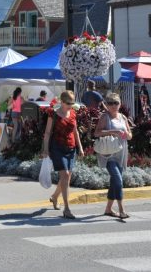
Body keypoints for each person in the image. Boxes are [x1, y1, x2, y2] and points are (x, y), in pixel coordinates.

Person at [42, 90, 84, 219]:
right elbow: (48, 133)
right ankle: (67, 209)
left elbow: (75, 131)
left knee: (66, 177)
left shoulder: (72, 113)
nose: (70, 105)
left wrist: (80, 147)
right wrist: (45, 149)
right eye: (68, 103)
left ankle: (55, 197)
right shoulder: (53, 114)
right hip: (57, 147)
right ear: (61, 101)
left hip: (71, 148)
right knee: (65, 174)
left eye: (72, 102)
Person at [93, 93, 132, 219]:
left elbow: (130, 135)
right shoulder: (105, 117)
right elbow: (96, 133)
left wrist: (127, 134)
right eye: (110, 103)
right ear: (107, 105)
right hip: (109, 154)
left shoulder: (123, 118)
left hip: (121, 152)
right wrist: (112, 132)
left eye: (116, 103)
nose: (114, 105)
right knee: (118, 180)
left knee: (114, 181)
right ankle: (121, 209)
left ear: (120, 104)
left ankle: (108, 209)